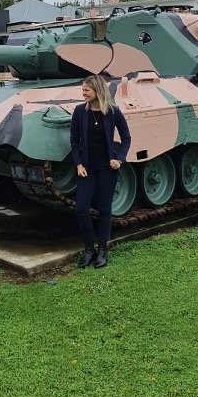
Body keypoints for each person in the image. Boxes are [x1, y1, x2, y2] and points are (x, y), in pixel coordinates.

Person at [70, 74, 131, 269]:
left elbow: (126, 137)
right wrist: (78, 164)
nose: (83, 93)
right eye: (83, 90)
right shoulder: (80, 111)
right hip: (87, 168)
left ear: (97, 90)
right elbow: (74, 139)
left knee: (105, 209)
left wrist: (119, 159)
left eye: (86, 90)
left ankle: (102, 250)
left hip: (107, 168)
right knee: (81, 209)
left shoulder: (112, 112)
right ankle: (89, 249)